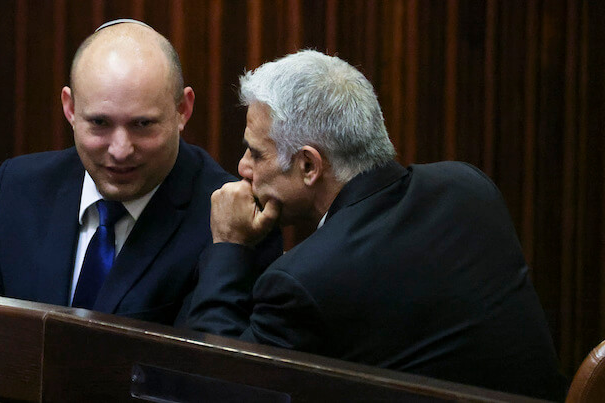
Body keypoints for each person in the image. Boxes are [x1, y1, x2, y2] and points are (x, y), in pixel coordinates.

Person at [185, 50, 567, 400]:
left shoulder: (304, 280)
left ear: (308, 166)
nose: (242, 168)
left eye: (256, 152)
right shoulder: (468, 187)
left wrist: (228, 246)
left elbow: (217, 387)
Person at [0, 20, 280, 326]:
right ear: (70, 108)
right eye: (100, 123)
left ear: (183, 110)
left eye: (142, 124)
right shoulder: (21, 188)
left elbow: (214, 371)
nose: (120, 149)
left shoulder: (234, 223)